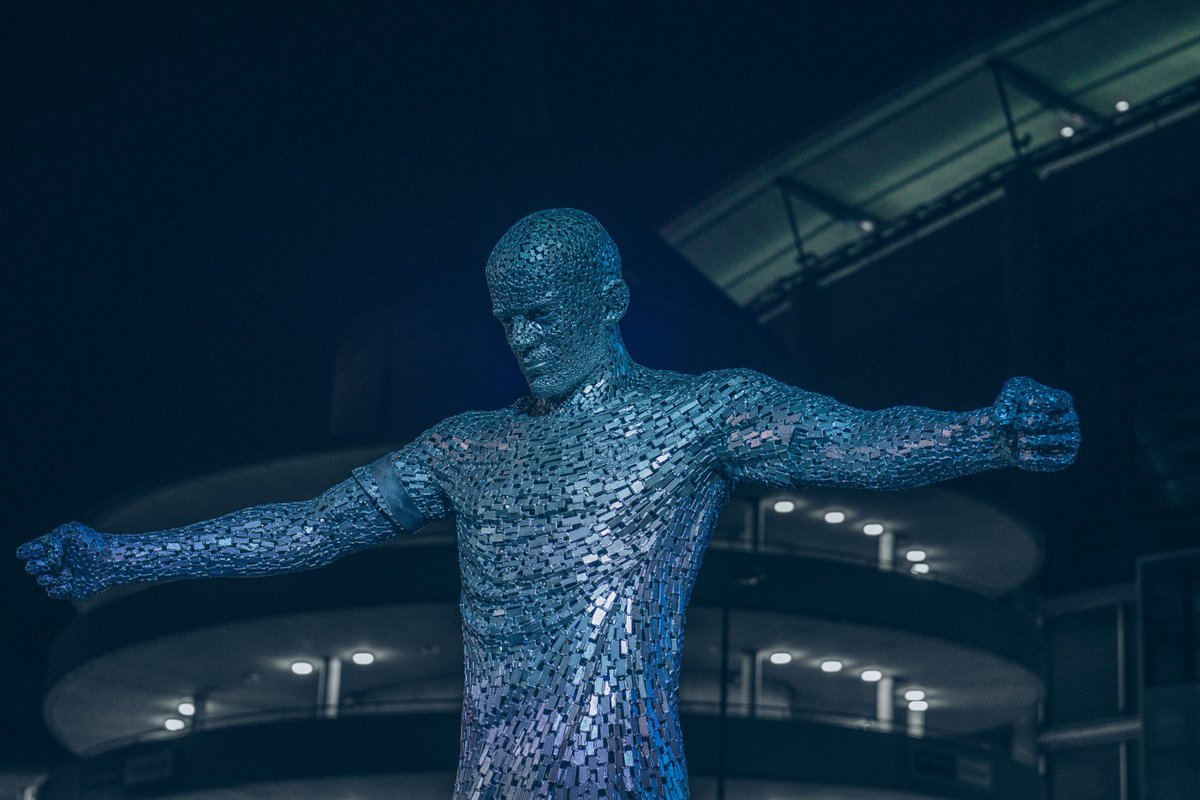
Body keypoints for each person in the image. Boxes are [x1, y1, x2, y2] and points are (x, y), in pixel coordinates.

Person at [18, 208, 1080, 799]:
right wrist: (117, 557)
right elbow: (308, 527)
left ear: (609, 301)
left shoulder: (699, 413)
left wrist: (985, 431)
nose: (521, 338)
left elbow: (849, 440)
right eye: (506, 319)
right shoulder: (467, 446)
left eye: (541, 314)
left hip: (623, 778)